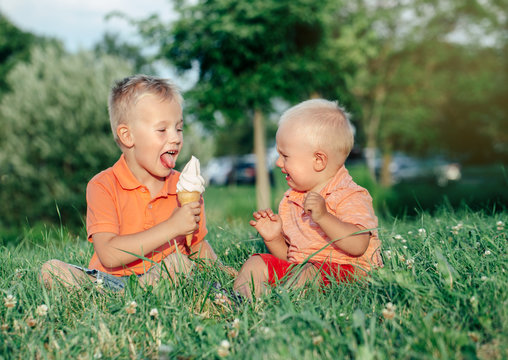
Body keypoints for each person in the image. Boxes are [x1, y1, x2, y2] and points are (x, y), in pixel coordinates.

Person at [41, 74, 234, 292]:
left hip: (165, 275)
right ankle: (129, 296)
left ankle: (130, 298)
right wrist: (172, 227)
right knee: (52, 270)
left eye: (178, 128)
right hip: (111, 282)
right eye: (162, 130)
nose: (176, 138)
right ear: (127, 136)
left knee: (178, 263)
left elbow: (197, 246)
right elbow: (109, 254)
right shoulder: (102, 185)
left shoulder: (184, 186)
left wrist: (225, 271)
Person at [233, 99, 383, 299]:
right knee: (256, 262)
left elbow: (358, 245)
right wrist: (274, 238)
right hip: (303, 271)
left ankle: (279, 302)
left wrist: (324, 217)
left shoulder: (350, 194)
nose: (278, 163)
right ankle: (243, 299)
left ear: (318, 160)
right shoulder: (291, 200)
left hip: (349, 274)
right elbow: (292, 258)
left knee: (309, 272)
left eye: (285, 156)